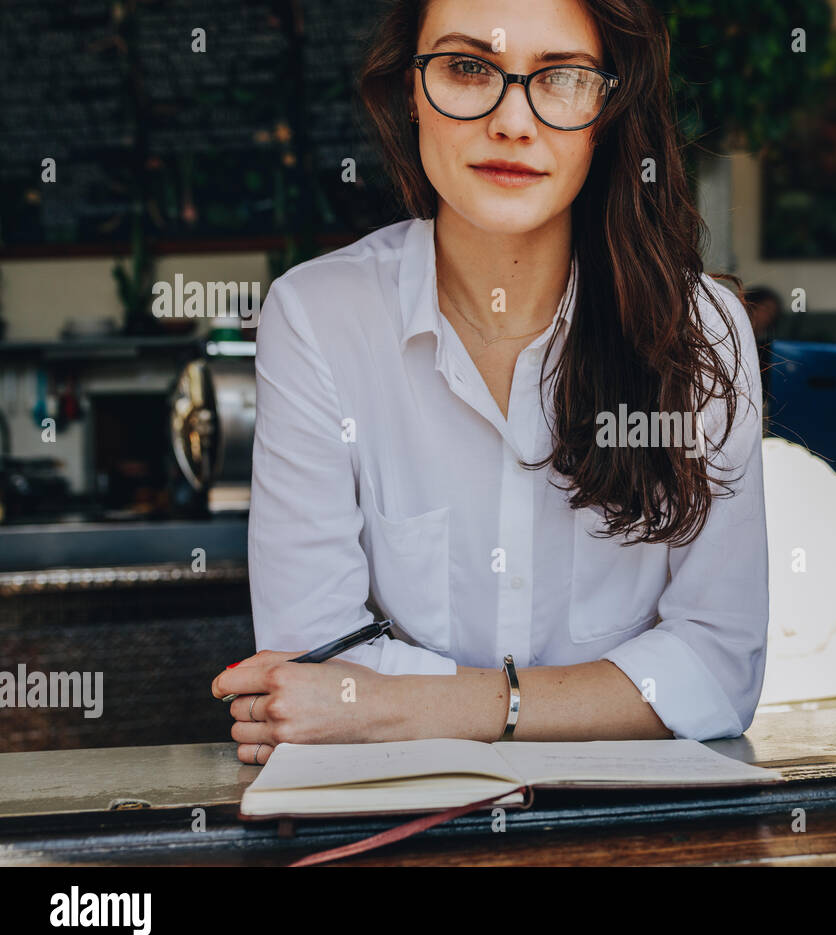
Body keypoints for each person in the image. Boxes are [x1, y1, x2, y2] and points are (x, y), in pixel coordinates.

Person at [211, 0, 767, 763]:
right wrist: (602, 697)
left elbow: (716, 669)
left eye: (561, 76)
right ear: (411, 89)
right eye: (469, 68)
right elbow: (315, 669)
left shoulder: (701, 332)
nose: (512, 122)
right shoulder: (317, 317)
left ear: (610, 106)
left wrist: (416, 705)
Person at [742, 285, 780, 403]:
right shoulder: (734, 339)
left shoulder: (766, 348)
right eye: (766, 309)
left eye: (773, 312)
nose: (769, 315)